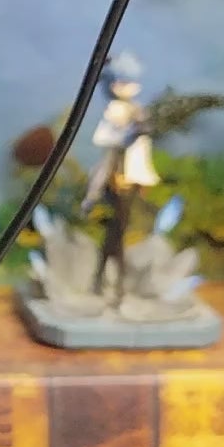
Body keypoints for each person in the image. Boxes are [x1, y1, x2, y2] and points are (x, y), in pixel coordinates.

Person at [83, 52, 158, 303]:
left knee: (118, 231)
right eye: (122, 82)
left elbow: (142, 149)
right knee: (117, 231)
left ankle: (106, 279)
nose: (127, 87)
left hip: (132, 179)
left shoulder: (137, 111)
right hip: (116, 178)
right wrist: (128, 133)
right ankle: (112, 280)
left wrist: (145, 178)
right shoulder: (115, 111)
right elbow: (106, 139)